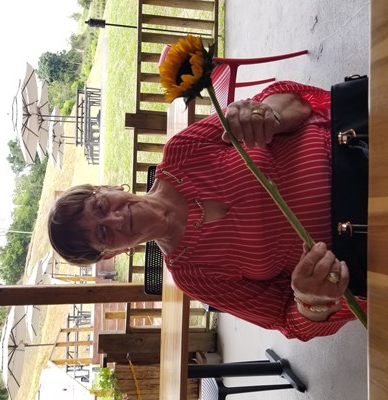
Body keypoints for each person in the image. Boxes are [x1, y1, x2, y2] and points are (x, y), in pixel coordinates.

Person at [48, 81, 367, 342]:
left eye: (101, 207)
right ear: (112, 254)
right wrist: (312, 302)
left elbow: (294, 103)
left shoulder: (182, 150)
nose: (116, 219)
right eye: (104, 233)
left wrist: (267, 114)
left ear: (107, 188)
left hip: (359, 146)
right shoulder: (193, 275)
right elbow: (287, 318)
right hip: (367, 242)